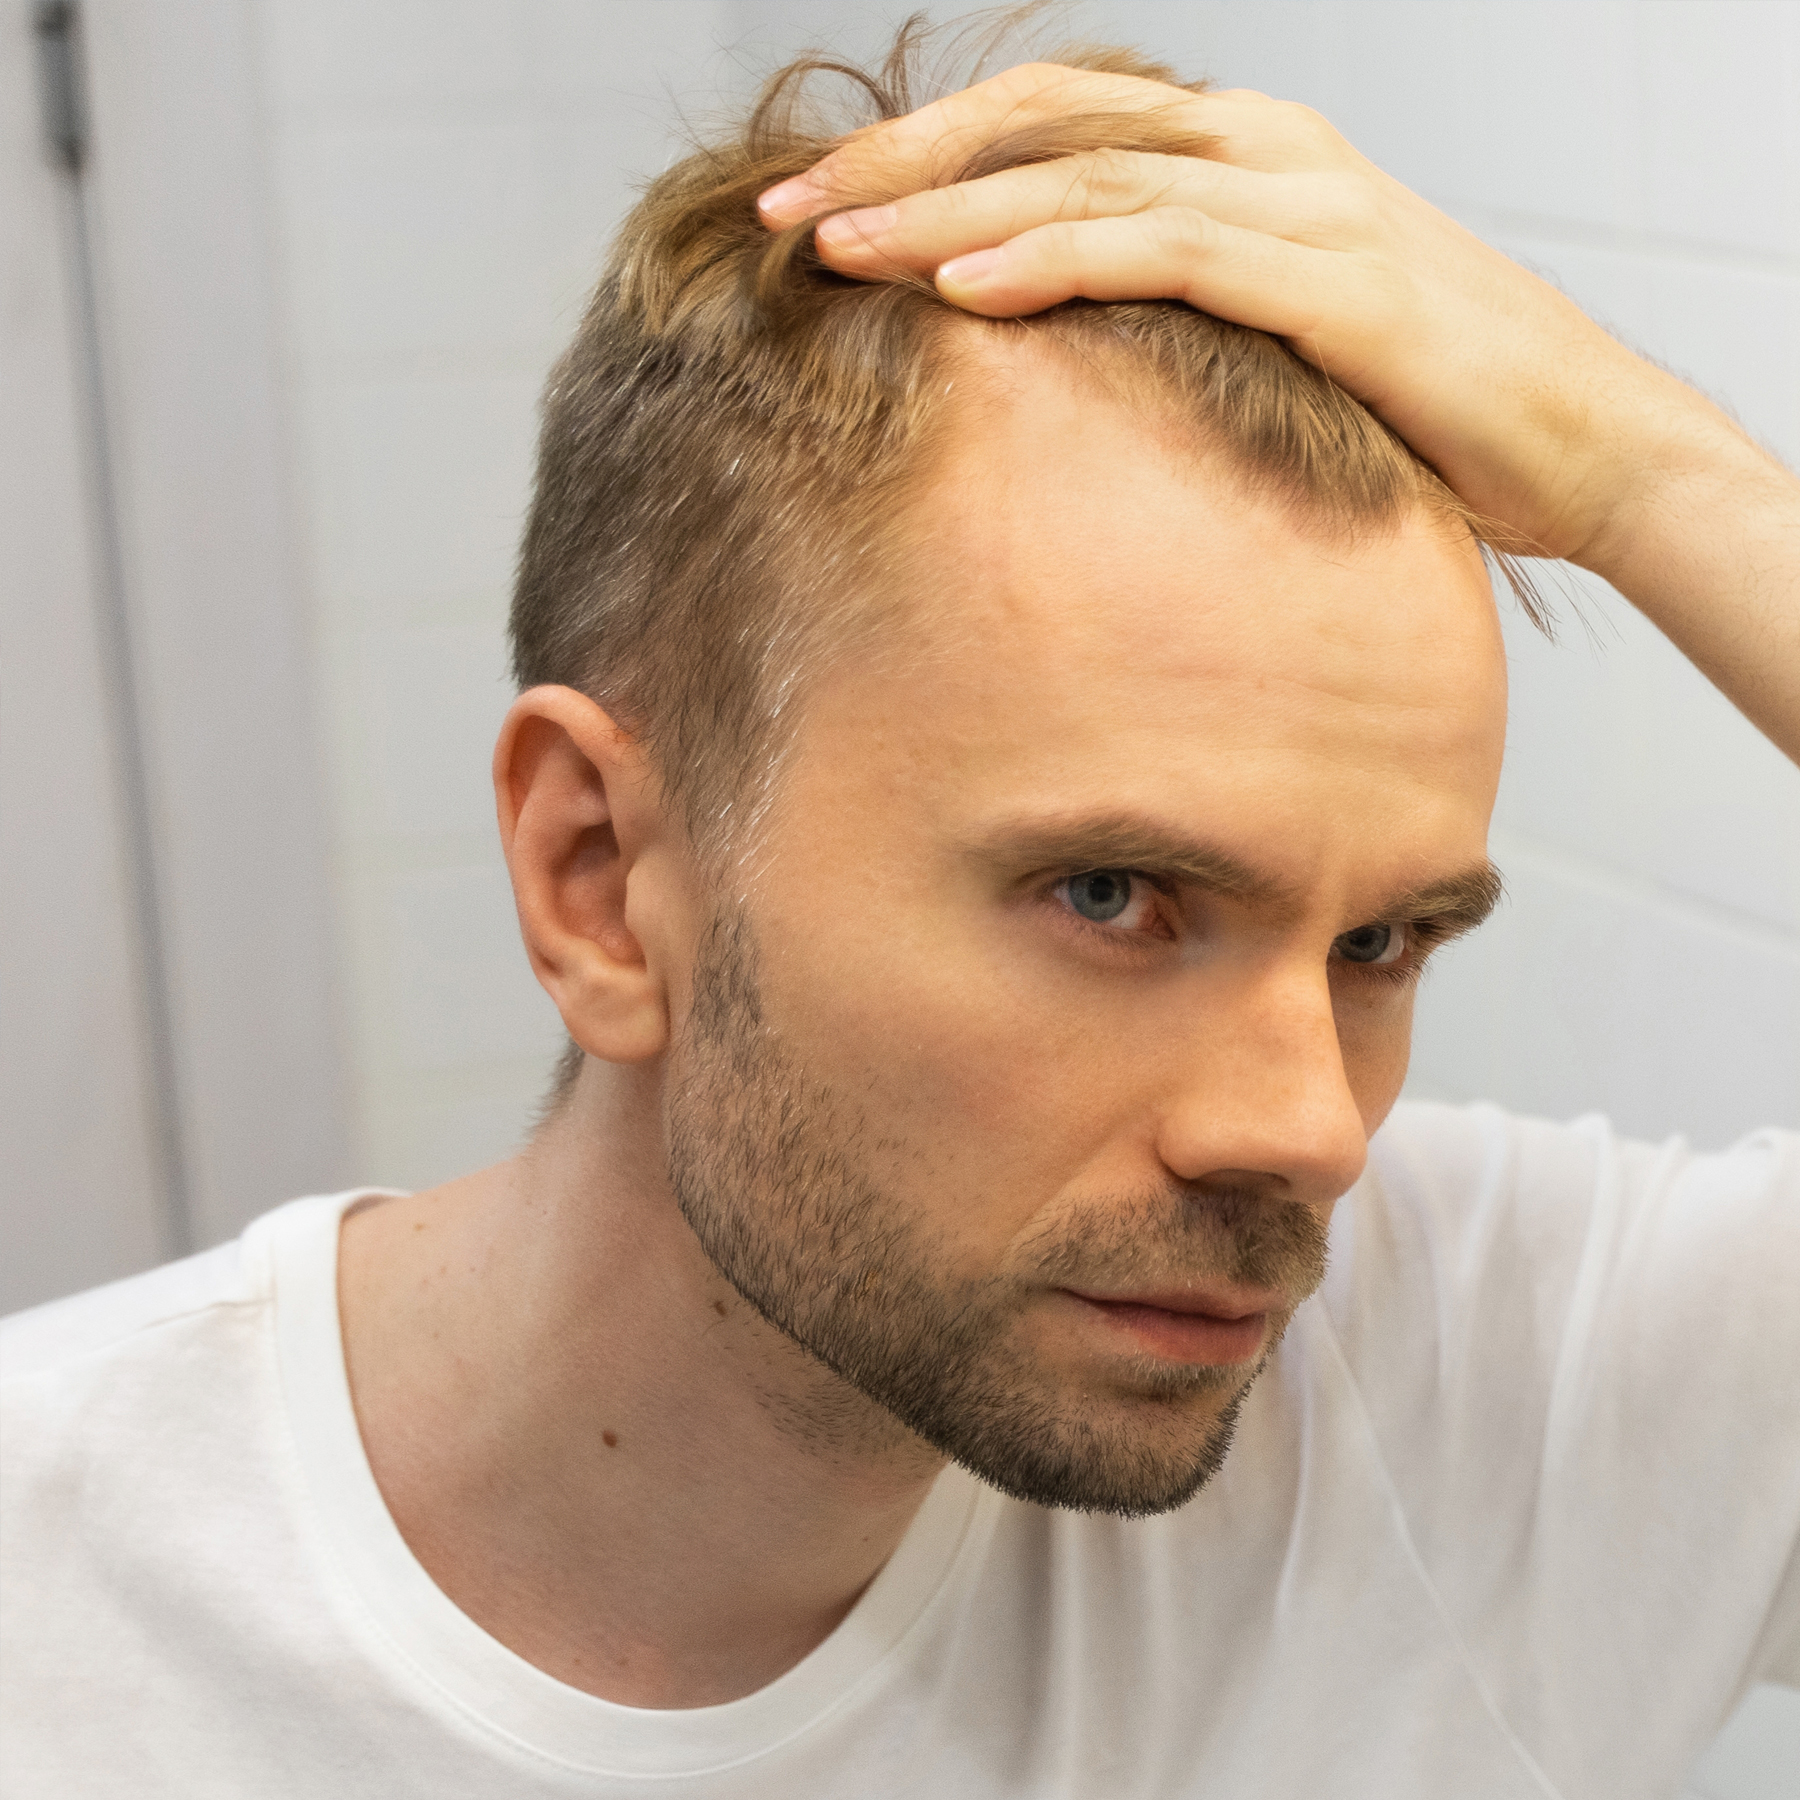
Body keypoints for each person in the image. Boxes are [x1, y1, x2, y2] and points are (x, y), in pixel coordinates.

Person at [4, 19, 1797, 1798]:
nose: (1308, 1130)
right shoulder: (57, 1617)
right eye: (1113, 897)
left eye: (1379, 945)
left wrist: (1655, 479)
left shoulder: (1477, 1391)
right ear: (602, 882)